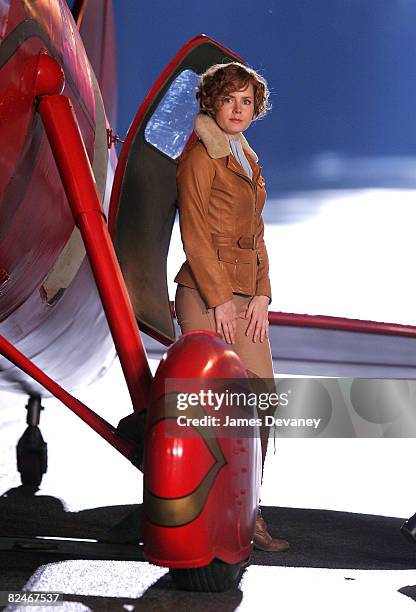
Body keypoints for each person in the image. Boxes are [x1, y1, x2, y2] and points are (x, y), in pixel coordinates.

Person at [174, 62, 289, 552]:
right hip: (205, 292)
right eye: (230, 99)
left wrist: (263, 294)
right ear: (212, 104)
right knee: (206, 409)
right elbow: (196, 235)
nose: (238, 109)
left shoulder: (245, 156)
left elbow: (257, 236)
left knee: (261, 404)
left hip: (245, 295)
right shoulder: (202, 156)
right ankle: (190, 513)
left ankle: (249, 515)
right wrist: (219, 299)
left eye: (247, 101)